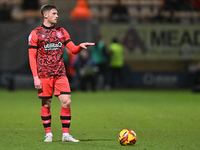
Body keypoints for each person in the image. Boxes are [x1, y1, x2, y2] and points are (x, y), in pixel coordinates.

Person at [28, 4, 94, 142]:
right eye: (54, 13)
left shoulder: (62, 31)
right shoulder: (35, 33)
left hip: (60, 74)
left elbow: (73, 49)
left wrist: (80, 47)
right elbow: (32, 57)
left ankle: (65, 135)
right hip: (44, 75)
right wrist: (35, 77)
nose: (57, 16)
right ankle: (48, 134)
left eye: (57, 13)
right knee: (46, 104)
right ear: (45, 15)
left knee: (67, 102)